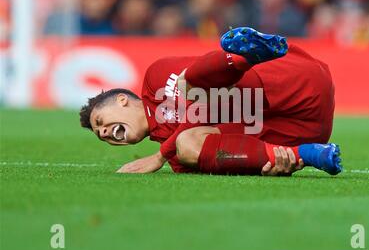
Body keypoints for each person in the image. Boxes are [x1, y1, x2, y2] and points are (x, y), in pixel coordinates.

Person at [79, 27, 342, 176]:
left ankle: (244, 54)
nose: (104, 133)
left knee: (187, 85)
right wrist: (273, 164)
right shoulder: (179, 159)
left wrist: (159, 156)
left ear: (122, 100)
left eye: (100, 121)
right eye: (102, 135)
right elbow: (239, 159)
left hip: (287, 81)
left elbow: (207, 103)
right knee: (189, 145)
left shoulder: (155, 77)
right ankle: (308, 155)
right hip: (301, 132)